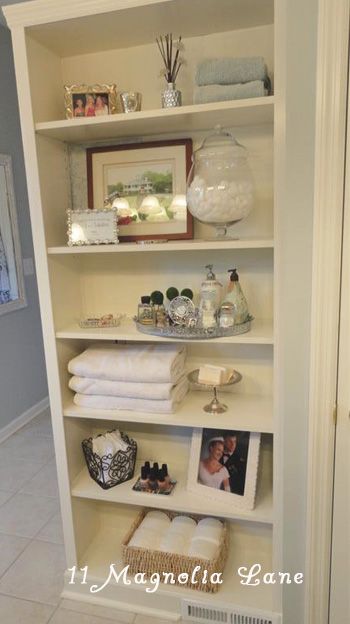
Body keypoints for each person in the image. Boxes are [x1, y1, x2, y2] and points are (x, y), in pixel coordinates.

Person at [220, 431, 247, 495]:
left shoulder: (240, 461)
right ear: (224, 442)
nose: (233, 444)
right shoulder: (217, 455)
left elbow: (241, 484)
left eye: (235, 441)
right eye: (230, 441)